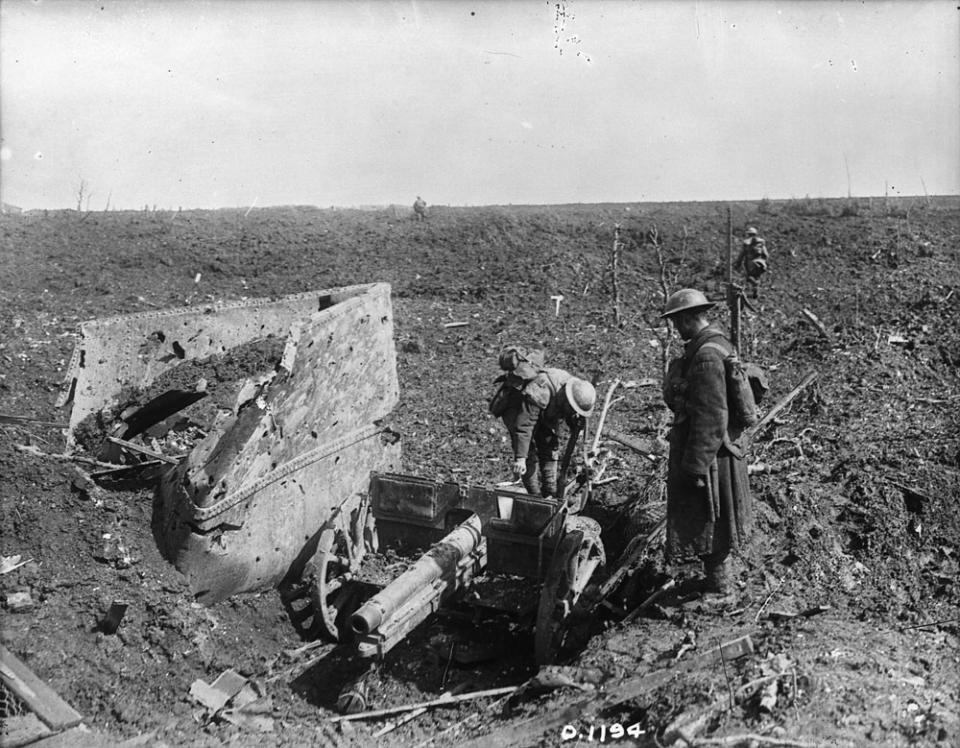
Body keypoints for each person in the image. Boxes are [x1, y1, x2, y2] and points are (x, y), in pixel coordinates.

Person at [660, 288, 752, 599]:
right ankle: (717, 583)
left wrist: (694, 466)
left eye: (677, 322)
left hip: (711, 456)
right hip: (714, 452)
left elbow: (712, 417)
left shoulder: (706, 357)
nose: (675, 329)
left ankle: (720, 589)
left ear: (688, 319)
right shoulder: (716, 345)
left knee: (711, 521)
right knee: (711, 520)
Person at [496, 357, 596, 499]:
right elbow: (524, 426)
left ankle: (550, 491)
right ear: (567, 400)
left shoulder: (575, 388)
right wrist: (520, 458)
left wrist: (575, 423)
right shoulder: (541, 391)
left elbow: (570, 413)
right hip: (519, 409)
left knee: (549, 446)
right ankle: (535, 496)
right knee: (528, 455)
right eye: (573, 408)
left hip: (546, 411)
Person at [734, 228, 770, 299]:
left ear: (748, 234)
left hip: (750, 264)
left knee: (749, 277)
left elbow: (742, 255)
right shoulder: (761, 243)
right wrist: (765, 263)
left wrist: (738, 263)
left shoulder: (746, 243)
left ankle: (753, 289)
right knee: (757, 278)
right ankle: (755, 293)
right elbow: (766, 254)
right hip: (760, 263)